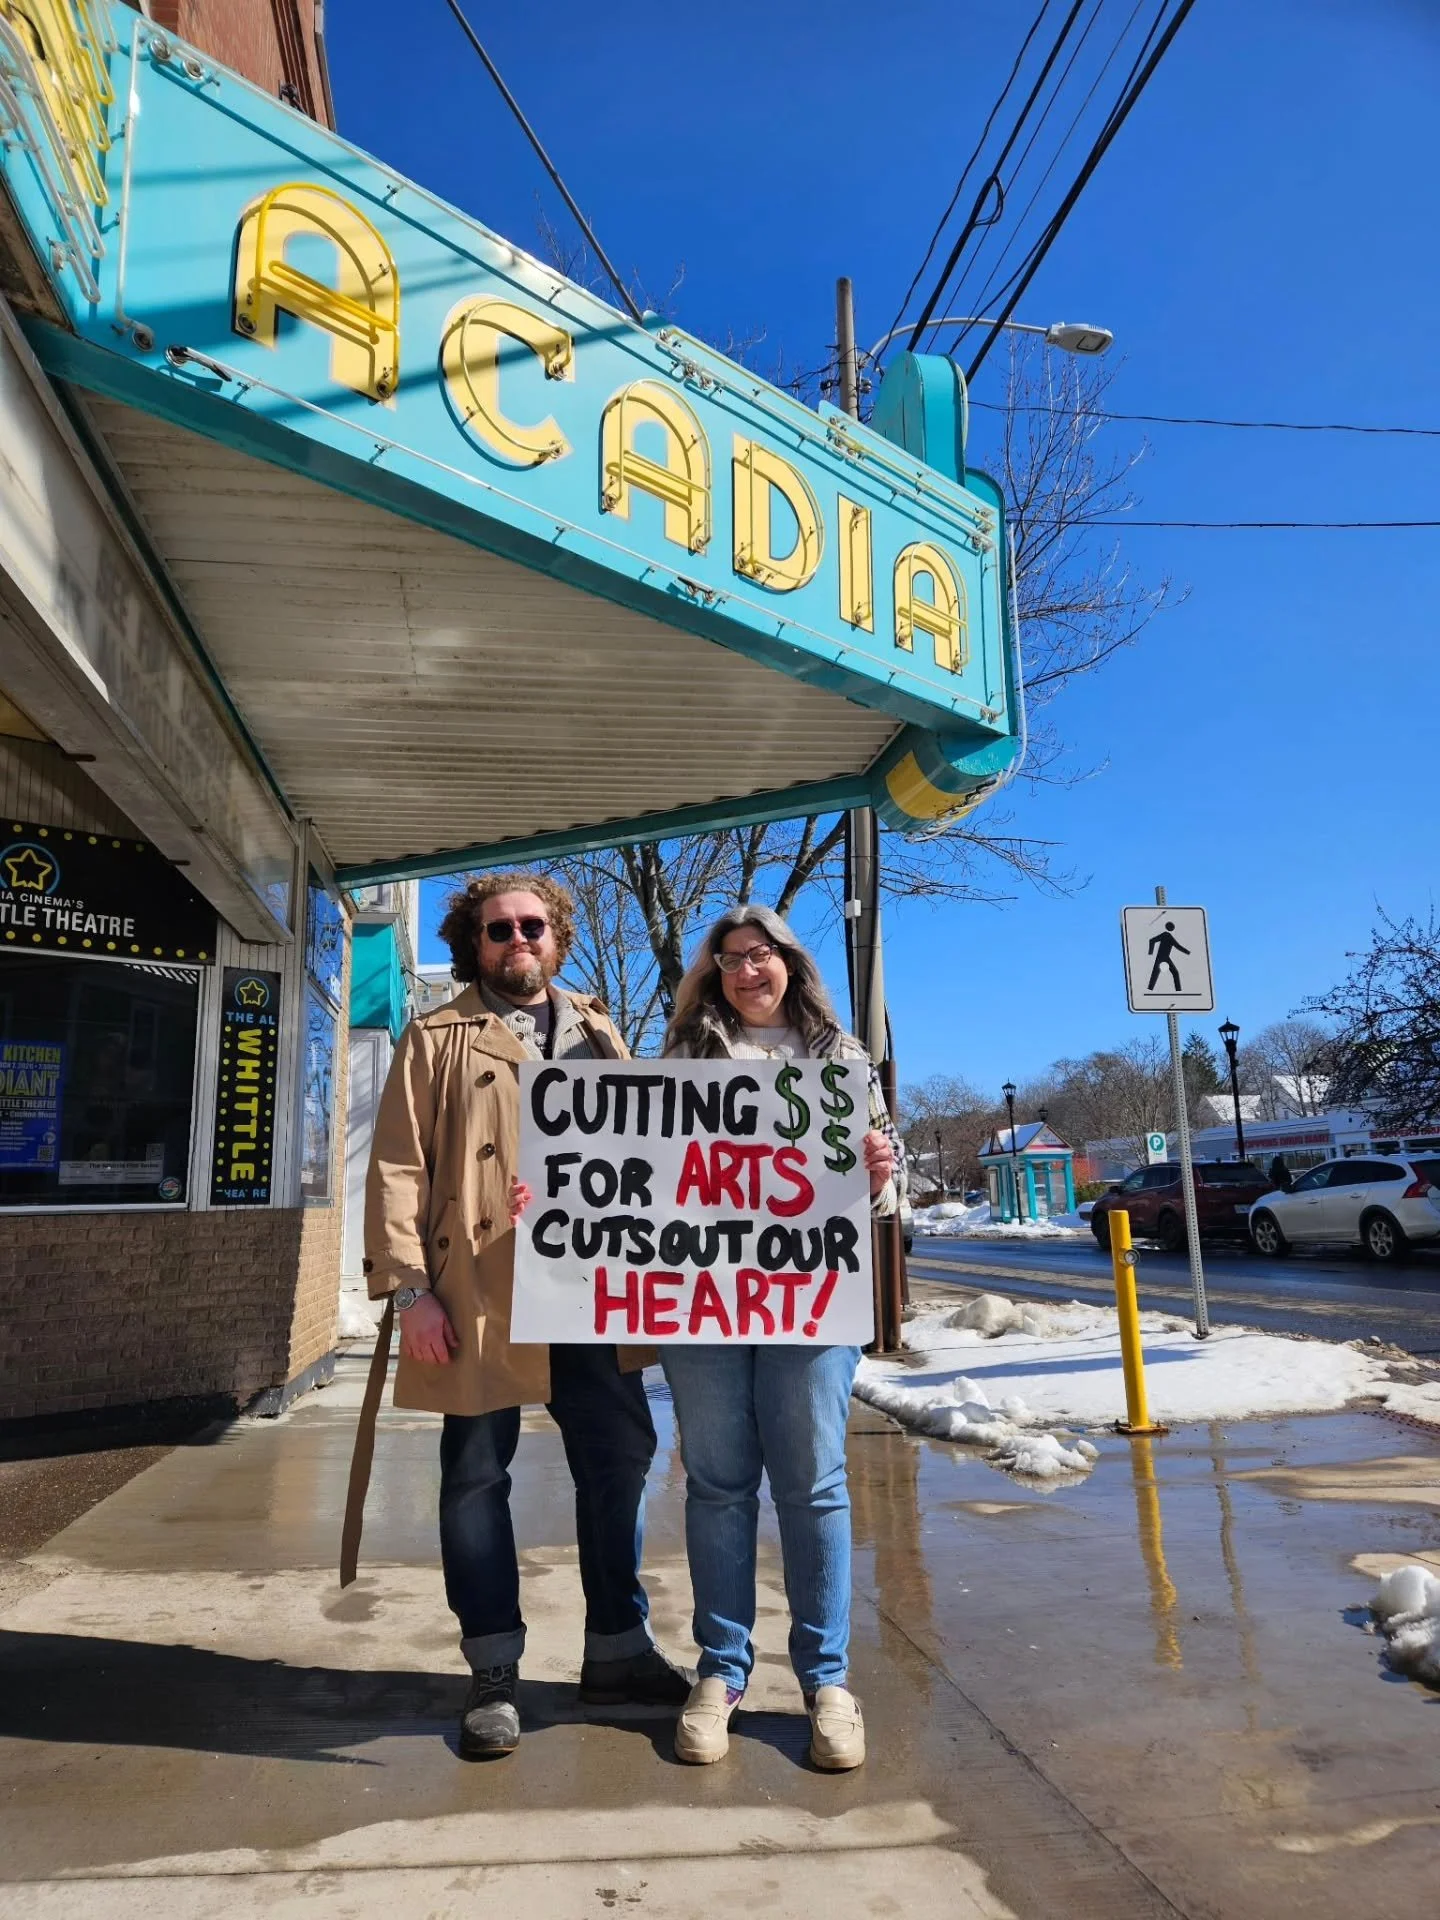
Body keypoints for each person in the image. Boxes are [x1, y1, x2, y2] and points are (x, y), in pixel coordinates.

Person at [351, 871, 691, 1760]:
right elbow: (395, 1169)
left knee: (619, 1461)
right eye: (498, 929)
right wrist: (410, 1289)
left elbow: (643, 1150)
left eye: (533, 926)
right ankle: (493, 1669)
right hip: (478, 1296)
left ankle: (618, 1648)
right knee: (474, 1479)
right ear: (475, 942)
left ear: (557, 937)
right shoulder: (435, 1035)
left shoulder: (599, 1027)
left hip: (590, 1290)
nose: (518, 940)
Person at [658, 904, 899, 1771]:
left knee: (814, 1485)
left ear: (790, 965)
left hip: (810, 1301)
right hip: (703, 1300)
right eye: (728, 960)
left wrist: (880, 1174)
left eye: (759, 955)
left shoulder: (842, 1060)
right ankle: (720, 1673)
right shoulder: (684, 1057)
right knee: (718, 1485)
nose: (744, 971)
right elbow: (641, 1176)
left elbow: (880, 1201)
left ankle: (826, 1682)